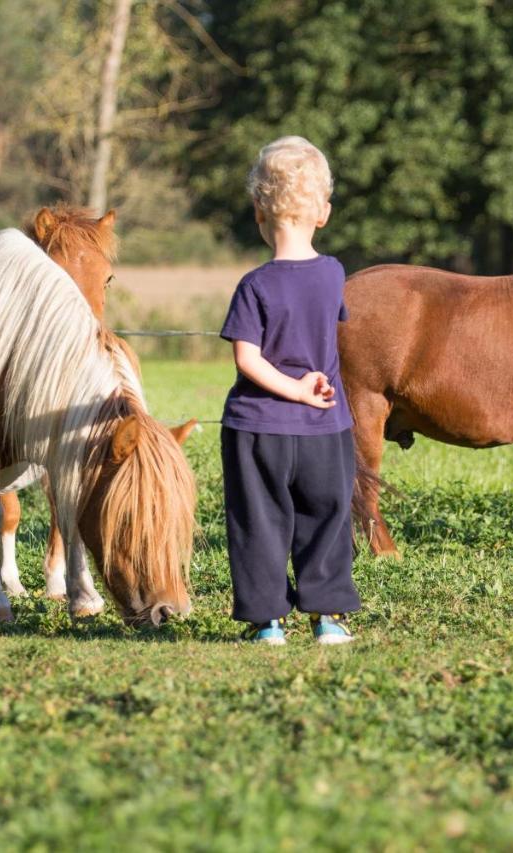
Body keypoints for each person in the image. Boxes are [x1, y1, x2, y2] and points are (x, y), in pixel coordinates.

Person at [219, 136, 360, 646]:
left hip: (257, 429)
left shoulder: (254, 285)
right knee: (327, 518)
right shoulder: (334, 274)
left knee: (259, 523)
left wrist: (291, 390)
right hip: (326, 424)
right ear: (322, 212)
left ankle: (269, 624)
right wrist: (307, 390)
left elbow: (246, 358)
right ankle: (327, 618)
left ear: (259, 210)